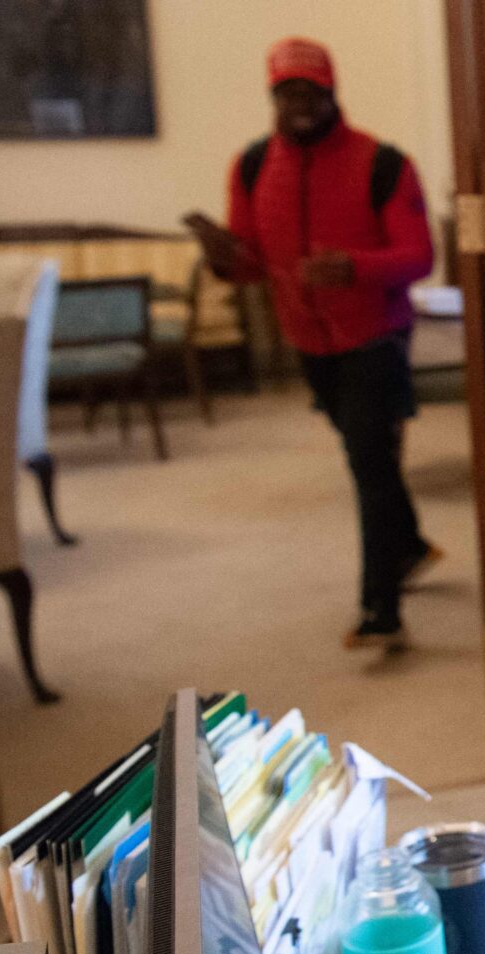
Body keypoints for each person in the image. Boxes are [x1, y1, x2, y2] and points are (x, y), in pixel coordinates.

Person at [186, 37, 439, 652]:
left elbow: (419, 257)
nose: (299, 103)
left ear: (331, 94)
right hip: (307, 340)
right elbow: (253, 265)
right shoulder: (249, 166)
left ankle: (381, 609)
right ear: (273, 96)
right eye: (286, 92)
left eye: (311, 91)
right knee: (368, 453)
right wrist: (224, 258)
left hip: (375, 337)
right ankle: (408, 546)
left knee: (368, 465)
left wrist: (352, 268)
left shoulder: (384, 163)